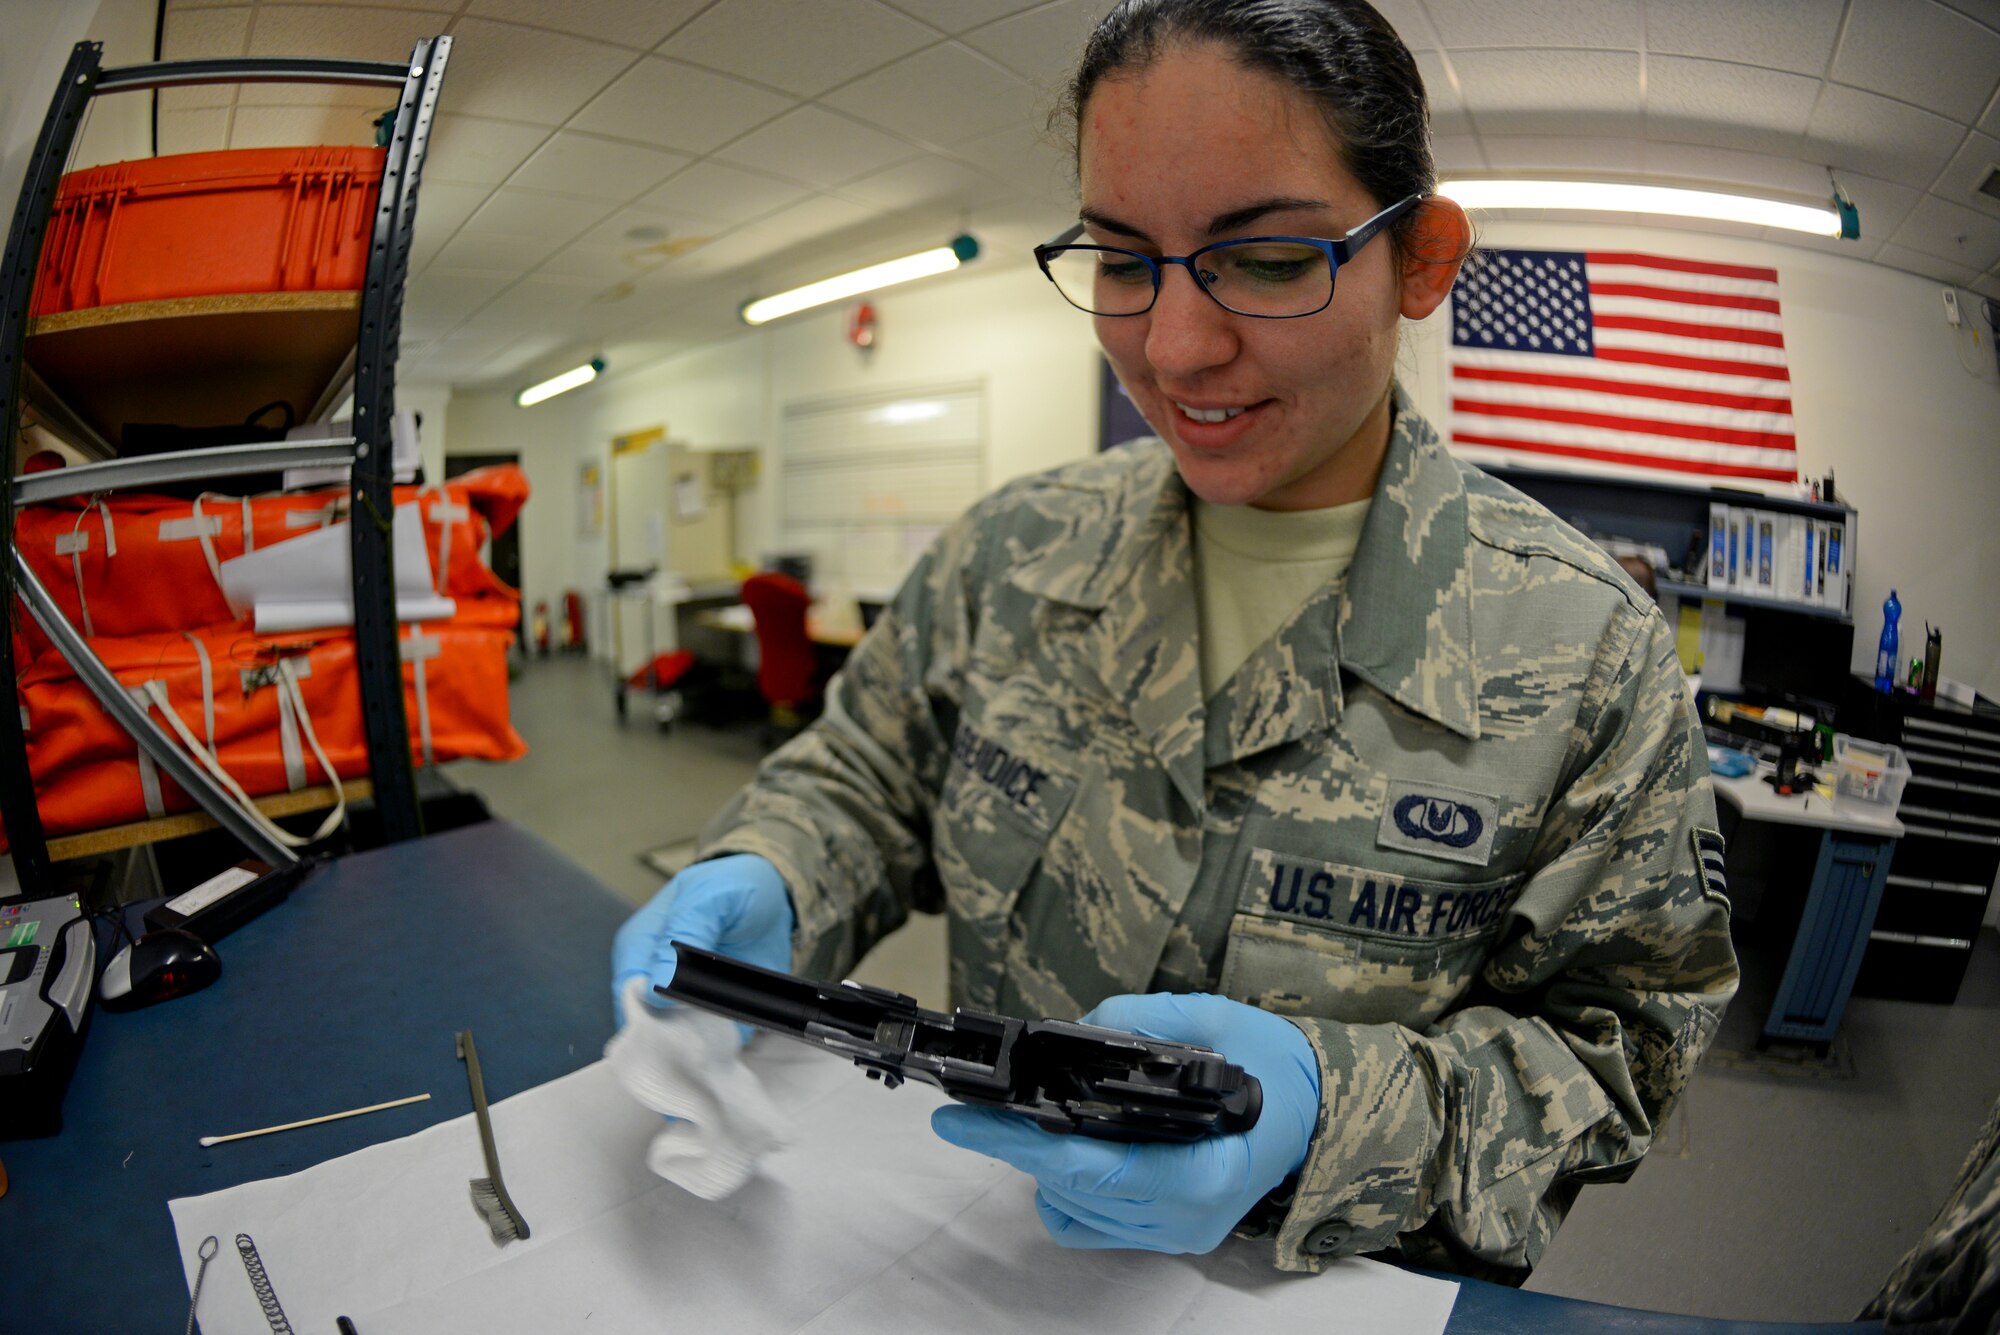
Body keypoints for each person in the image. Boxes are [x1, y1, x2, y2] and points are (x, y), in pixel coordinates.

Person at [613, 0, 1737, 1284]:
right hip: (984, 1263)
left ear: (1420, 260)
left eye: (1265, 261)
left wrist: (1325, 1111)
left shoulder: (1584, 653)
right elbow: (867, 783)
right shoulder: (1011, 556)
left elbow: (1614, 1055)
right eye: (1123, 260)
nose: (1173, 347)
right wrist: (775, 874)